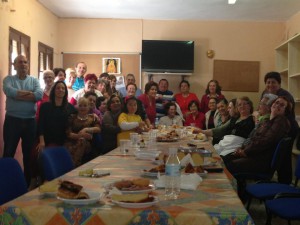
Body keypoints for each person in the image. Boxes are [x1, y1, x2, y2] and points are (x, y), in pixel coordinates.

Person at [224, 96, 292, 177]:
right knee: (223, 160)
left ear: (285, 111)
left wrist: (245, 151)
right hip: (253, 155)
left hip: (260, 161)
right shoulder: (267, 121)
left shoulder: (281, 121)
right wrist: (242, 148)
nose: (277, 105)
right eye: (276, 102)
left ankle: (229, 189)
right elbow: (253, 137)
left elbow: (265, 141)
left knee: (227, 165)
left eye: (282, 105)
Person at [2, 55, 43, 185]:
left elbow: (38, 95)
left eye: (25, 62)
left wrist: (18, 94)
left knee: (28, 154)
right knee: (9, 152)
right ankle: (4, 183)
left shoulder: (34, 80)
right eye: (20, 62)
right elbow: (9, 92)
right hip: (12, 121)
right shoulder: (8, 79)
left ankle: (26, 184)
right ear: (14, 65)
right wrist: (29, 94)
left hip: (30, 121)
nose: (23, 64)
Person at [32, 81, 77, 186]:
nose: (60, 90)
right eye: (58, 88)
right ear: (53, 90)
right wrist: (42, 141)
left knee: (47, 154)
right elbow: (41, 124)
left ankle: (47, 181)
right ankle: (35, 179)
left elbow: (76, 122)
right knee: (34, 153)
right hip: (44, 138)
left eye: (63, 88)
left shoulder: (70, 108)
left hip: (61, 140)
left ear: (65, 91)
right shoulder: (45, 106)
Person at [64, 97, 101, 167]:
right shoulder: (72, 117)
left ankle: (73, 167)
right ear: (77, 107)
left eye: (85, 105)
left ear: (88, 107)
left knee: (82, 141)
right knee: (77, 142)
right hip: (72, 141)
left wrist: (86, 129)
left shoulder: (92, 117)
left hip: (86, 144)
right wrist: (80, 135)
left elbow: (98, 129)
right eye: (80, 105)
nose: (82, 108)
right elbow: (68, 133)